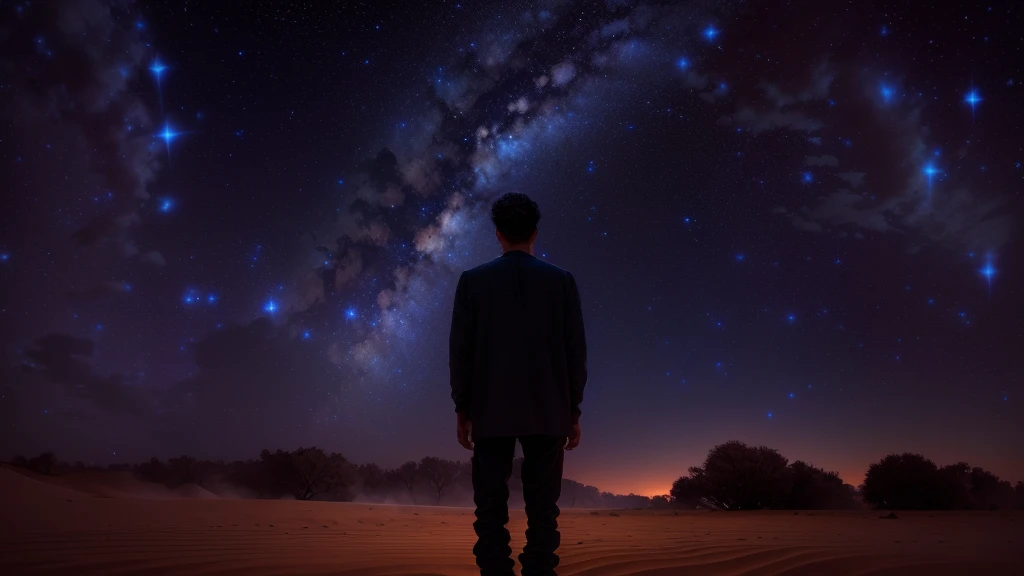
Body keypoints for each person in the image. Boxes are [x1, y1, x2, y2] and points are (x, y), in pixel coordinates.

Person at [449, 192, 588, 576]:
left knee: (489, 506)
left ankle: (496, 572)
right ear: (535, 233)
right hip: (549, 409)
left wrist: (462, 408)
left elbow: (460, 351)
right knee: (544, 508)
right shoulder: (561, 282)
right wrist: (573, 410)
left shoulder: (472, 282)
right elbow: (576, 351)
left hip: (490, 408)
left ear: (498, 234)